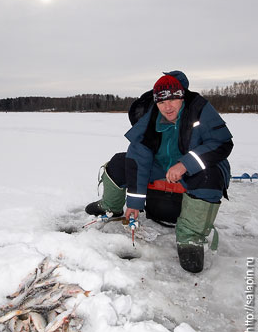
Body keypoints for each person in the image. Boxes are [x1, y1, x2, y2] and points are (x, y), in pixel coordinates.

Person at [85, 70, 233, 273]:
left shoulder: (199, 108)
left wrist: (185, 164)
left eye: (173, 99)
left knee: (210, 175)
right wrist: (135, 203)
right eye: (162, 102)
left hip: (195, 168)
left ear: (182, 96)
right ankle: (111, 206)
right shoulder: (151, 117)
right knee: (120, 162)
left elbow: (222, 143)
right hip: (161, 165)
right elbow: (139, 157)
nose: (168, 106)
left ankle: (190, 239)